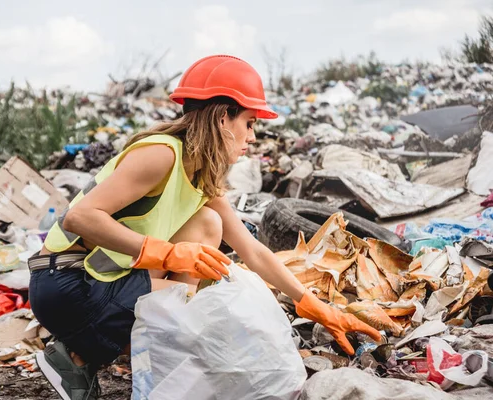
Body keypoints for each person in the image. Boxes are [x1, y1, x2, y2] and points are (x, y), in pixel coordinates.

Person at [29, 55, 381, 400]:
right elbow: (80, 217)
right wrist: (168, 254)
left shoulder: (201, 174)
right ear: (223, 117)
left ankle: (94, 354)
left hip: (99, 280)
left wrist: (316, 306)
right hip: (65, 284)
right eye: (250, 122)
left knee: (207, 227)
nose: (253, 137)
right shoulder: (162, 154)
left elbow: (253, 251)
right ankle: (79, 355)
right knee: (193, 324)